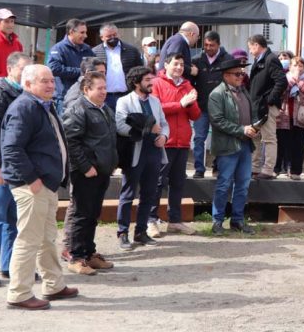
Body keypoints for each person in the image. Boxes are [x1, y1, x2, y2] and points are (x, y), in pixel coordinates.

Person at [1, 65, 78, 310]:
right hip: (32, 186)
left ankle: (53, 285)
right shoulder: (24, 107)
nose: (50, 85)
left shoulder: (42, 105)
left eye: (52, 81)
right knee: (28, 239)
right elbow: (11, 148)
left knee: (46, 238)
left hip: (46, 184)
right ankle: (19, 293)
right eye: (43, 81)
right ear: (27, 84)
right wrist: (32, 179)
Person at [62, 72, 117, 275]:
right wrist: (85, 167)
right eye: (99, 88)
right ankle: (76, 257)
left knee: (93, 214)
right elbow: (71, 141)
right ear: (87, 89)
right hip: (85, 172)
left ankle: (89, 254)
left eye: (105, 87)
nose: (104, 92)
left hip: (101, 171)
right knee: (80, 215)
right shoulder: (78, 108)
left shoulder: (105, 109)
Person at [0, 52, 31, 288]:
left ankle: (8, 266)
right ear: (10, 69)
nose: (27, 74)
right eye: (23, 69)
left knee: (13, 218)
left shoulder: (23, 93)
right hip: (0, 167)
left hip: (17, 166)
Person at [115, 66, 169, 250]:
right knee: (128, 194)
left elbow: (163, 124)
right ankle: (122, 233)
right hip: (135, 154)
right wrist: (147, 129)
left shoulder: (155, 101)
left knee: (149, 194)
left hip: (154, 153)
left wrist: (164, 137)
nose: (151, 82)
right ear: (137, 82)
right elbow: (121, 126)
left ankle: (141, 232)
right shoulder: (124, 101)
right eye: (147, 80)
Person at [148, 53, 201, 237]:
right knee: (157, 182)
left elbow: (195, 115)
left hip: (183, 141)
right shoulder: (156, 83)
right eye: (175, 64)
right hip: (164, 141)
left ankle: (175, 221)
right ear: (166, 65)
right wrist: (180, 104)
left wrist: (191, 102)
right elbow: (156, 109)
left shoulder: (187, 85)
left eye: (181, 64)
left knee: (178, 183)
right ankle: (151, 220)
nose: (179, 67)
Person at [208, 58, 258, 235]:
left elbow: (248, 116)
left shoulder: (243, 91)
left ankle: (237, 220)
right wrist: (242, 130)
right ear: (226, 75)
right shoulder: (217, 94)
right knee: (224, 184)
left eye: (242, 73)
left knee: (243, 185)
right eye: (237, 74)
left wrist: (253, 128)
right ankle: (217, 222)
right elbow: (217, 120)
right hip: (227, 146)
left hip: (244, 144)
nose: (241, 77)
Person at [190, 31, 232, 179]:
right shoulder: (196, 60)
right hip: (201, 106)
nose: (208, 48)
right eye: (206, 45)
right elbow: (189, 83)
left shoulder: (227, 59)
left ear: (218, 44)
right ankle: (199, 169)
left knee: (219, 139)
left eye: (212, 45)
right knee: (199, 138)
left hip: (220, 107)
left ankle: (217, 167)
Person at [246, 34, 288, 180]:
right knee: (255, 136)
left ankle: (268, 169)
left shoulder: (270, 59)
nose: (250, 51)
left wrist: (270, 100)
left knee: (269, 138)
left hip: (266, 106)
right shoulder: (260, 60)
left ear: (256, 45)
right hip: (257, 105)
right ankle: (255, 168)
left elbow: (282, 81)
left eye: (250, 47)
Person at [276, 56, 304, 180]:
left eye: (300, 65)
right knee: (281, 144)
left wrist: (298, 81)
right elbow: (281, 91)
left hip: (300, 118)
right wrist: (291, 81)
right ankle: (277, 169)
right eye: (294, 65)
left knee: (298, 145)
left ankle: (296, 171)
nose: (297, 68)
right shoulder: (283, 78)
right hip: (284, 116)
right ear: (290, 67)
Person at [47, 18, 95, 112]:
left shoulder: (87, 49)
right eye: (82, 32)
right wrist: (80, 72)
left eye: (85, 32)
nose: (85, 35)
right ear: (72, 32)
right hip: (65, 97)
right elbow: (53, 68)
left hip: (84, 96)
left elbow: (93, 67)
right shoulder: (58, 48)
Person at [92, 23, 143, 110]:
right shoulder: (94, 52)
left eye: (115, 35)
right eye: (109, 36)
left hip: (127, 95)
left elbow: (140, 71)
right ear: (102, 37)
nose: (113, 38)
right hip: (105, 97)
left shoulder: (131, 50)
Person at [0, 8, 23, 81]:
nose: (10, 24)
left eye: (12, 21)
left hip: (14, 85)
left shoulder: (17, 43)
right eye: (6, 21)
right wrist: (2, 80)